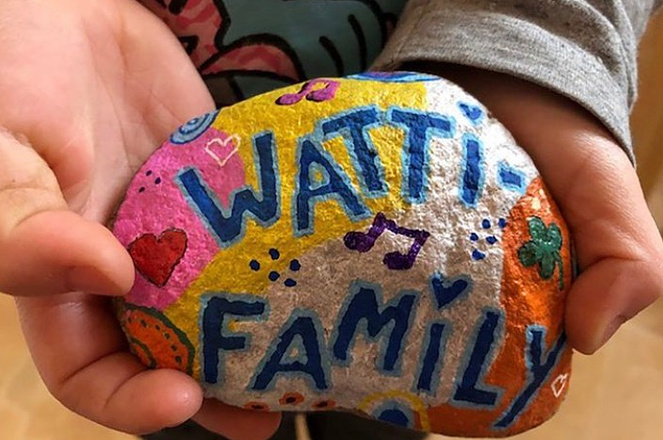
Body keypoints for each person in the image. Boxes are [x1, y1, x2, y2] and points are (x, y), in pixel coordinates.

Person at [0, 0, 661, 439]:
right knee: (183, 410)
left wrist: (526, 36)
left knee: (374, 421)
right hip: (137, 164)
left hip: (421, 293)